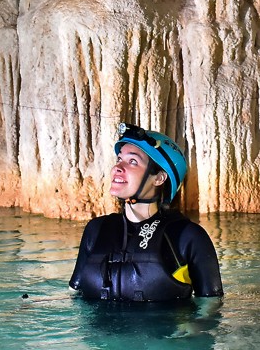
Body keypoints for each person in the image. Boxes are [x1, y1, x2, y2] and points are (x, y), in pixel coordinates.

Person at [70, 123, 223, 302]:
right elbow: (74, 296)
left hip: (164, 330)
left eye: (132, 161)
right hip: (101, 330)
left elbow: (210, 307)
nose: (118, 168)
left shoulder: (187, 237)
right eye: (119, 159)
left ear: (159, 178)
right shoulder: (96, 230)